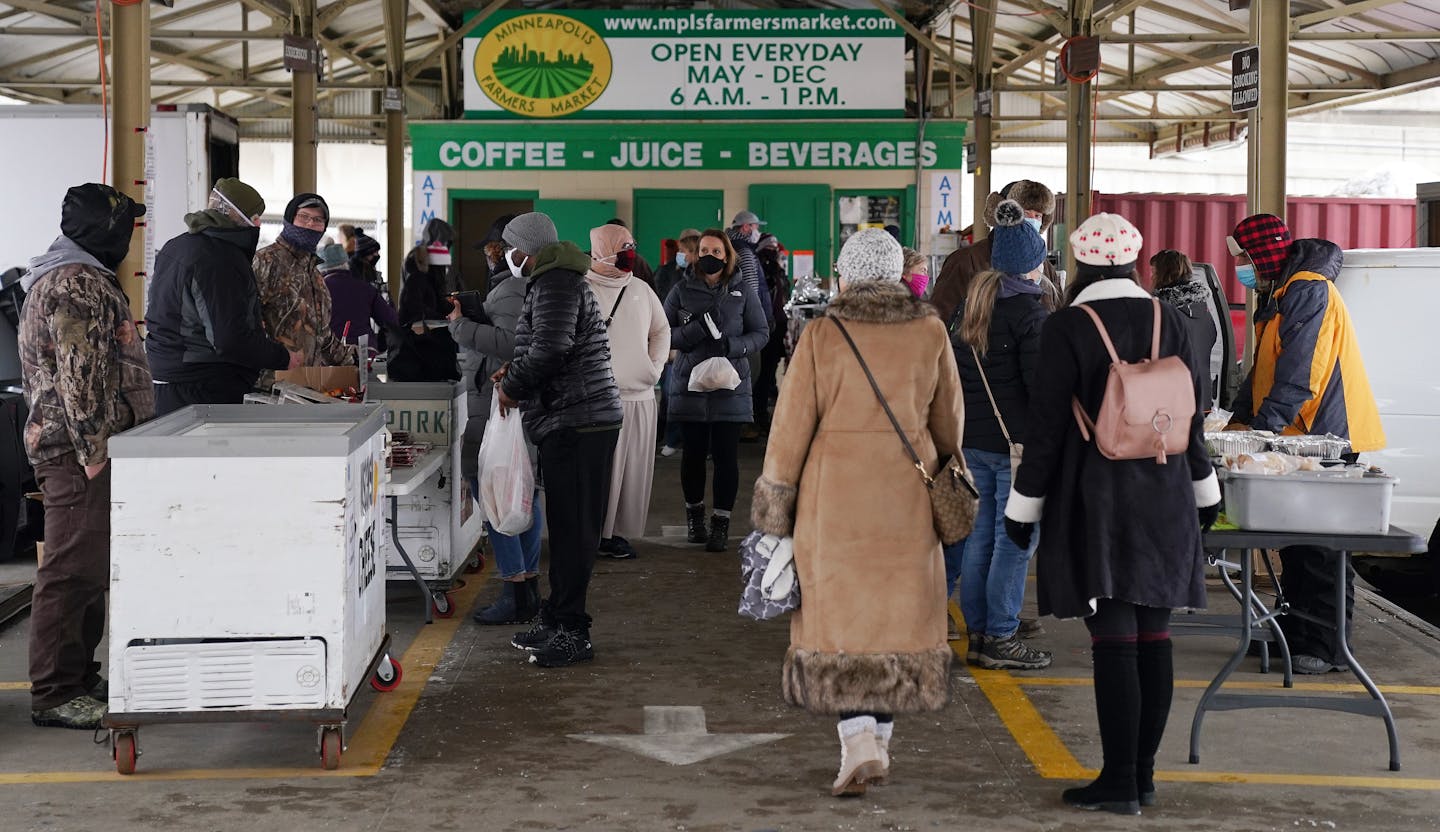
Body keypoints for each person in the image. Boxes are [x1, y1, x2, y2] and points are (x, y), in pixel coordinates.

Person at [1003, 212, 1219, 815]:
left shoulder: (1067, 326)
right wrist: (1206, 491)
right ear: (1131, 261)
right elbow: (1191, 414)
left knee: (1115, 642)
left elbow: (1046, 429)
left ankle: (1119, 780)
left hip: (1098, 496)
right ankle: (1142, 778)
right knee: (1156, 636)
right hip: (1168, 490)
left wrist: (1023, 508)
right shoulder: (1170, 318)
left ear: (1080, 264)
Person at [750, 228, 961, 796]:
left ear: (844, 275)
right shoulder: (930, 332)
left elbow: (790, 427)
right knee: (895, 618)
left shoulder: (823, 333)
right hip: (907, 497)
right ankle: (879, 742)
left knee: (840, 620)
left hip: (832, 499)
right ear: (897, 275)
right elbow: (949, 425)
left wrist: (776, 502)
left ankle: (858, 742)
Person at [17, 184, 155, 730]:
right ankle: (53, 692)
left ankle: (77, 674)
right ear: (105, 230)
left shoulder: (80, 277)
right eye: (125, 227)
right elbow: (81, 378)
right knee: (71, 570)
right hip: (79, 453)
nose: (130, 239)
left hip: (86, 448)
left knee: (92, 568)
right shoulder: (77, 284)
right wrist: (95, 454)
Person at [1224, 213, 1386, 675]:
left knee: (1320, 546)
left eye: (1246, 258)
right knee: (1296, 542)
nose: (1242, 267)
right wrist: (1240, 418)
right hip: (1299, 437)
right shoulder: (1281, 292)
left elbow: (1301, 375)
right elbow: (1264, 370)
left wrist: (1261, 434)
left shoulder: (1308, 290)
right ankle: (1296, 632)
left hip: (1326, 437)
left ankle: (1327, 646)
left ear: (1264, 253)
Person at [496, 213, 623, 668]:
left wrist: (514, 386)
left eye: (507, 247)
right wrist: (513, 374)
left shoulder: (555, 283)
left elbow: (551, 349)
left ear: (524, 249)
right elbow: (546, 347)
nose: (504, 255)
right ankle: (556, 619)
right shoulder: (557, 280)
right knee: (567, 527)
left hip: (580, 420)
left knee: (573, 533)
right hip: (574, 416)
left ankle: (573, 632)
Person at [951, 200, 1054, 671]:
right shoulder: (1029, 316)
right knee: (1014, 543)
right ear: (1033, 264)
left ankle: (977, 634)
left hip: (974, 443)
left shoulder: (972, 308)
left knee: (981, 540)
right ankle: (1001, 635)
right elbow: (1041, 389)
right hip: (1016, 447)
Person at [448, 234, 543, 626]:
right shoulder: (540, 288)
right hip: (523, 404)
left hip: (498, 404)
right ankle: (528, 588)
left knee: (496, 489)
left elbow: (507, 344)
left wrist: (461, 326)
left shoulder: (508, 292)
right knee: (525, 490)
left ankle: (514, 589)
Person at [147, 178, 298, 415]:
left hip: (165, 382)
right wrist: (282, 357)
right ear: (242, 217)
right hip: (205, 388)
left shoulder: (175, 247)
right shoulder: (221, 259)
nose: (258, 223)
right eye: (255, 215)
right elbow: (229, 338)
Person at [663, 228, 769, 551]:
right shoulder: (680, 291)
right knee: (692, 456)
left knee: (726, 457)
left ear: (727, 256)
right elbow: (662, 333)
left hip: (731, 385)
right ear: (696, 255)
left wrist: (732, 345)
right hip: (690, 385)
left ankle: (721, 523)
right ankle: (695, 517)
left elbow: (761, 332)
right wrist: (694, 330)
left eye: (717, 252)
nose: (710, 257)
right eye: (704, 251)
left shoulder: (744, 292)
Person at [585, 224, 668, 560]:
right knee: (600, 472)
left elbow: (661, 331)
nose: (629, 250)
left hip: (641, 398)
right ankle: (593, 533)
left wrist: (654, 368)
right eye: (622, 245)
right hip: (596, 402)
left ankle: (617, 534)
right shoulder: (582, 289)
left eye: (631, 243)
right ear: (600, 248)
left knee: (632, 472)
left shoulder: (641, 289)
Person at [252, 193, 355, 387]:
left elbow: (321, 335)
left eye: (317, 220)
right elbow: (247, 325)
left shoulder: (316, 276)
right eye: (304, 217)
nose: (310, 224)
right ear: (290, 219)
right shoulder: (265, 261)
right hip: (270, 387)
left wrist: (351, 361)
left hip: (308, 386)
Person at [931, 180, 1059, 323]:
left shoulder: (1046, 267)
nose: (1032, 221)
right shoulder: (966, 261)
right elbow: (941, 318)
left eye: (1038, 216)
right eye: (1025, 213)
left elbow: (1056, 317)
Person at [1150, 249, 1219, 406]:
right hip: (1203, 399)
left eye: (1154, 272)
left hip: (1174, 402)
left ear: (1164, 274)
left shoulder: (1163, 313)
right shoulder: (1205, 312)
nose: (1151, 278)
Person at [655, 229, 699, 457]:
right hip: (673, 339)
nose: (679, 255)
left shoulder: (694, 277)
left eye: (683, 251)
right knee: (672, 392)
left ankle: (678, 439)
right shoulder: (673, 272)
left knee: (681, 393)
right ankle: (672, 438)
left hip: (684, 340)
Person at [321, 243, 398, 347]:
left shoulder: (318, 291)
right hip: (365, 353)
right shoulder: (366, 288)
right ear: (346, 264)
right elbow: (391, 321)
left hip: (328, 354)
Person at [752, 233, 789, 431]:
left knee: (767, 373)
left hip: (776, 327)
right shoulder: (760, 269)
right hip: (764, 327)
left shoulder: (776, 271)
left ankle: (760, 415)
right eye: (770, 248)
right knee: (761, 375)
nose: (774, 253)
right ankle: (758, 417)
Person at [399, 239, 450, 325]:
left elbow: (439, 304)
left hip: (420, 327)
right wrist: (441, 316)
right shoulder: (418, 279)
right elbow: (415, 308)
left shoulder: (425, 279)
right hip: (415, 330)